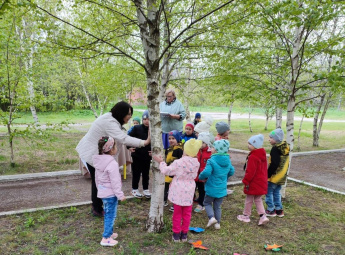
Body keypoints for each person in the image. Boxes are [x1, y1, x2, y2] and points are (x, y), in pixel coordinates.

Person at [76, 101, 150, 217]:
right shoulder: (110, 122)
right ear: (121, 113)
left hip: (96, 154)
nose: (130, 116)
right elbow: (123, 138)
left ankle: (99, 206)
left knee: (99, 181)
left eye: (131, 114)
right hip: (91, 154)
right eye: (128, 114)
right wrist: (144, 142)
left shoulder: (111, 119)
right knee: (99, 182)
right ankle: (97, 208)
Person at [153, 139, 202, 242]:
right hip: (189, 190)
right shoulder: (196, 162)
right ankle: (184, 234)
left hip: (178, 189)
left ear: (186, 151)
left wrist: (161, 162)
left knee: (177, 214)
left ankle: (176, 234)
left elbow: (166, 171)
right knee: (187, 214)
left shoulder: (179, 162)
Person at [93, 137, 126, 247]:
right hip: (111, 194)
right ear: (111, 149)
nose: (116, 148)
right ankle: (106, 238)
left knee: (108, 214)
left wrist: (100, 190)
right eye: (115, 146)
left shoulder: (98, 162)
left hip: (103, 193)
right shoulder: (112, 164)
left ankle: (110, 233)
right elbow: (115, 181)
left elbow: (97, 179)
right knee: (110, 215)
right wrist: (120, 195)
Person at [199, 139, 235, 230]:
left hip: (211, 187)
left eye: (213, 147)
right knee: (217, 206)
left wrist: (201, 177)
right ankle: (217, 223)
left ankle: (211, 218)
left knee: (207, 203)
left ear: (217, 150)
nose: (211, 148)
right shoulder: (227, 160)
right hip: (222, 188)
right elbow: (232, 171)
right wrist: (225, 177)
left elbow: (206, 172)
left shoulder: (211, 160)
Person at [237, 134, 269, 226]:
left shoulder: (253, 157)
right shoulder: (262, 155)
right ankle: (263, 216)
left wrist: (245, 181)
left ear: (255, 145)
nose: (248, 145)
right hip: (261, 181)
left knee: (249, 199)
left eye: (250, 144)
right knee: (258, 199)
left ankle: (246, 216)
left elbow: (250, 171)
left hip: (253, 182)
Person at [265, 128, 290, 217]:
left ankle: (270, 210)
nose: (269, 139)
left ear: (276, 139)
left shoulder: (275, 149)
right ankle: (279, 210)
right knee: (277, 193)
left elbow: (274, 164)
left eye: (271, 138)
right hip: (282, 176)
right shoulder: (285, 147)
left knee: (269, 192)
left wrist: (268, 174)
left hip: (274, 176)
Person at [128, 110, 152, 198]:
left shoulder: (153, 130)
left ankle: (146, 189)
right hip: (137, 155)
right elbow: (128, 138)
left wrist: (154, 151)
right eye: (145, 119)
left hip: (147, 156)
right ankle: (134, 189)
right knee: (136, 173)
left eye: (149, 119)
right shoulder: (136, 128)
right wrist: (129, 147)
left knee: (146, 174)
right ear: (142, 119)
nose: (147, 121)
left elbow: (156, 143)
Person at [164, 130, 184, 212]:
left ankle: (174, 204)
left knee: (175, 189)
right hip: (168, 172)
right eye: (169, 138)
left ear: (178, 139)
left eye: (173, 138)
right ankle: (164, 200)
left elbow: (181, 162)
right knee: (165, 187)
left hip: (175, 174)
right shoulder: (168, 149)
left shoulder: (179, 150)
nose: (171, 140)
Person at [194, 132, 212, 213]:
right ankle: (197, 199)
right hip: (195, 174)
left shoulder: (209, 152)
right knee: (194, 188)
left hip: (203, 176)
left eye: (203, 142)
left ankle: (201, 204)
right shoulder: (196, 151)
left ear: (207, 143)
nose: (201, 144)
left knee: (202, 190)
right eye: (199, 142)